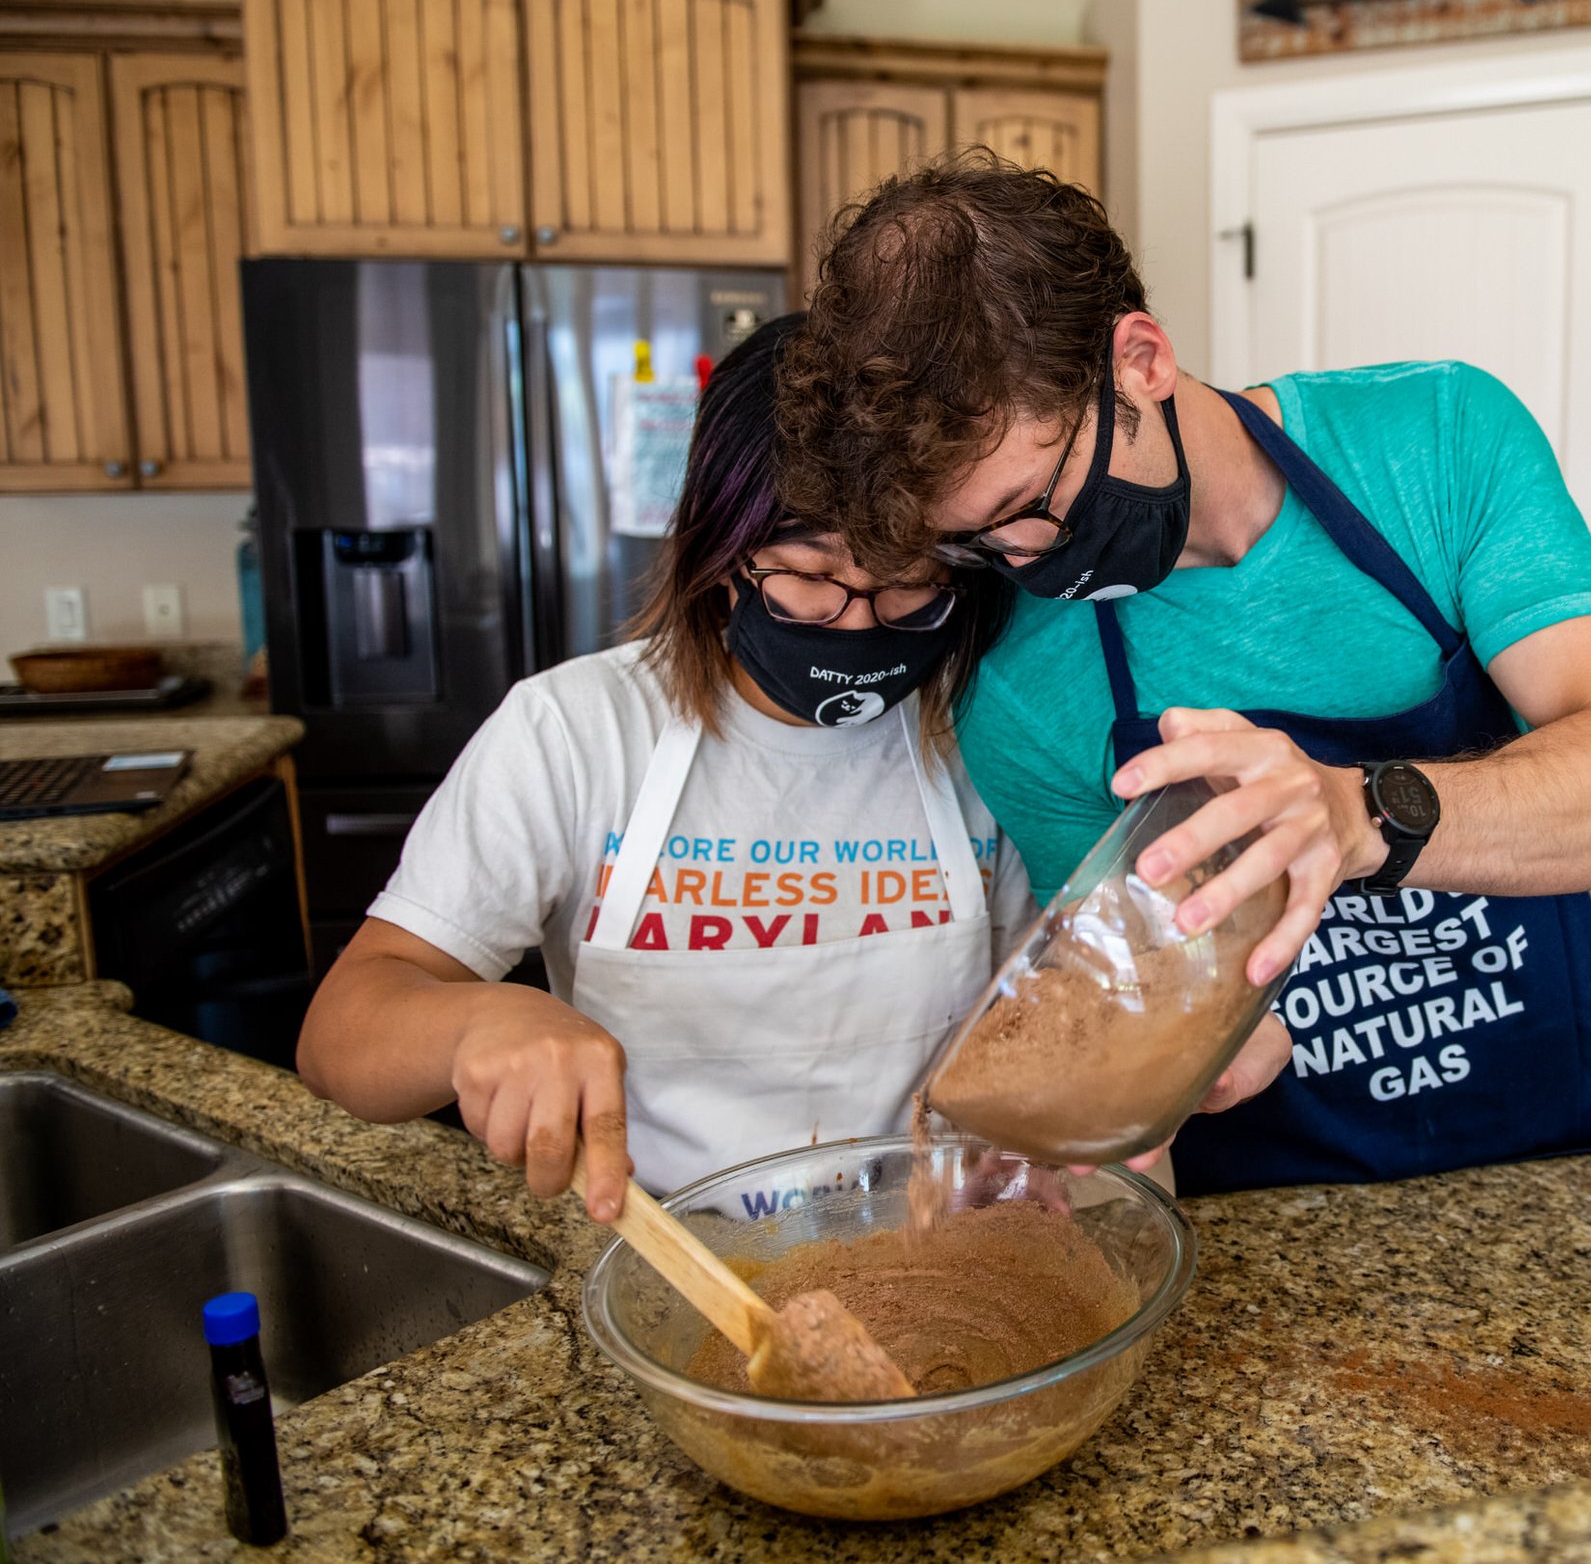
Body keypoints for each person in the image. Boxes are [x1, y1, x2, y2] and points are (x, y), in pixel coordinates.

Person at [774, 155, 1591, 1196]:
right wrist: (1146, 1070)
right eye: (977, 543)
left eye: (1033, 501)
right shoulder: (1019, 687)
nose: (1029, 564)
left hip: (1555, 1163)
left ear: (1139, 359)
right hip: (1275, 1223)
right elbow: (1128, 994)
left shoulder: (1436, 441)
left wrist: (1357, 814)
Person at [295, 315, 1040, 1221]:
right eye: (808, 574)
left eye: (909, 582)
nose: (857, 624)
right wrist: (474, 1022)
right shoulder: (574, 731)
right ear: (722, 557)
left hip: (928, 1262)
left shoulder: (986, 732)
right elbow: (338, 1036)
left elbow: (1036, 1012)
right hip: (656, 1272)